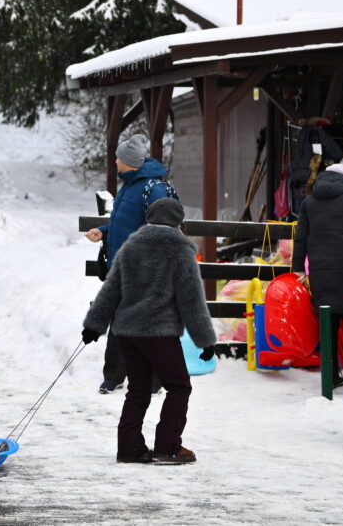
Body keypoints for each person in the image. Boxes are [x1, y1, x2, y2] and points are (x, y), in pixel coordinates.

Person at [81, 197, 216, 464]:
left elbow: (111, 289)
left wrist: (93, 326)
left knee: (138, 389)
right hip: (159, 332)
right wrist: (205, 340)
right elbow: (191, 299)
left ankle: (129, 448)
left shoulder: (131, 245)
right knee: (179, 387)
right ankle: (168, 447)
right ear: (179, 222)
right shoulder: (181, 250)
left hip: (127, 332)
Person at [84, 134, 176, 394]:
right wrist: (103, 230)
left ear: (128, 162)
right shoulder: (128, 185)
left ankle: (155, 381)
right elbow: (124, 223)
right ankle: (113, 377)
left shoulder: (153, 188)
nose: (115, 160)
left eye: (118, 157)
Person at [291, 163, 343, 389]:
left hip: (321, 272)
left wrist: (298, 267)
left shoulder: (309, 203)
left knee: (328, 323)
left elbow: (301, 237)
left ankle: (331, 375)